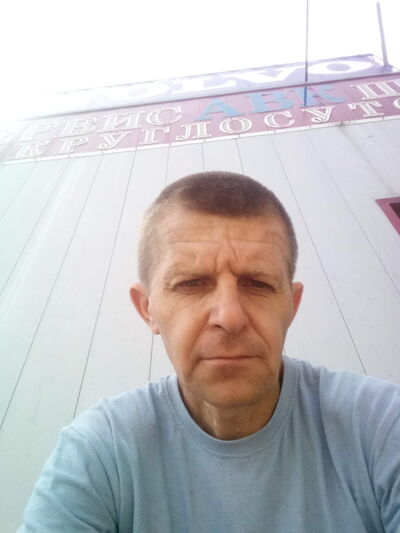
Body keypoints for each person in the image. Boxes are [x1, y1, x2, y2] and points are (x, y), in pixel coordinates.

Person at [20, 171, 400, 532]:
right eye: (191, 283)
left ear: (292, 304)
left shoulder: (382, 426)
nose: (229, 317)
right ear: (147, 308)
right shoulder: (101, 455)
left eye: (258, 283)